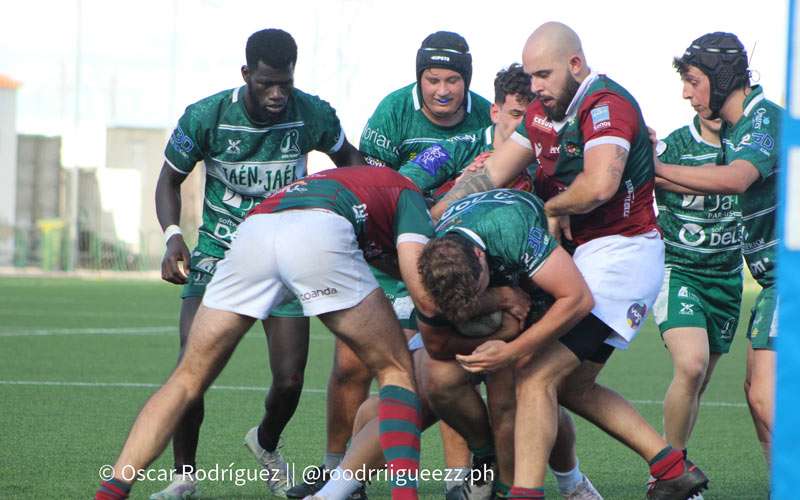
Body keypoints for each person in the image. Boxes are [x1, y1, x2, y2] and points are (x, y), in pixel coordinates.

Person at [431, 22, 708, 500]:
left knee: (535, 374)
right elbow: (494, 172)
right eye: (530, 76)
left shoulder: (608, 107)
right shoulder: (540, 112)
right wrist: (433, 222)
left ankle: (527, 492)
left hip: (624, 255)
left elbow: (601, 184)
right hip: (585, 257)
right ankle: (671, 468)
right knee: (573, 386)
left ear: (575, 65)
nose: (534, 87)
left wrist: (548, 209)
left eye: (543, 75)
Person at [95, 167, 435, 500]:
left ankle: (110, 492)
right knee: (396, 369)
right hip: (317, 232)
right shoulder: (410, 196)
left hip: (255, 231)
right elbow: (418, 281)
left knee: (186, 378)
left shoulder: (346, 185)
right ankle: (404, 494)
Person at [153, 28, 363, 499]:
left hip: (287, 256)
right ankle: (185, 477)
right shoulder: (208, 116)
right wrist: (173, 239)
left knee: (290, 379)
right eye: (266, 83)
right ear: (246, 74)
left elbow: (350, 159)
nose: (276, 94)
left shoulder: (312, 112)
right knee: (193, 368)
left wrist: (351, 208)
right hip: (219, 255)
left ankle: (265, 442)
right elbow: (168, 181)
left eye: (284, 84)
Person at [289, 30, 493, 499]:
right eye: (432, 78)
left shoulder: (489, 116)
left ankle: (460, 480)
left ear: (467, 81)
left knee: (444, 362)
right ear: (419, 78)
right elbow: (374, 186)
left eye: (452, 81)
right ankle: (336, 468)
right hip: (390, 250)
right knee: (350, 364)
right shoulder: (392, 113)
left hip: (456, 259)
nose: (442, 90)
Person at [398, 64, 599, 500]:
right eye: (513, 114)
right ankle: (448, 476)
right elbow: (401, 191)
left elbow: (592, 189)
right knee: (421, 386)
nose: (521, 126)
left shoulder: (554, 159)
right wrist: (435, 226)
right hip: (450, 280)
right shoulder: (460, 150)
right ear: (494, 112)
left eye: (530, 116)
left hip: (531, 296)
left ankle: (563, 479)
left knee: (527, 391)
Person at [655, 31, 780, 470]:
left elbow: (736, 178)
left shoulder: (762, 120)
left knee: (766, 397)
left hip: (785, 277)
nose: (686, 92)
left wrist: (651, 165)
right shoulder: (737, 129)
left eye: (693, 80)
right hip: (762, 282)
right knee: (755, 394)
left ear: (722, 76)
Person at [652, 113, 743, 468]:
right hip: (678, 269)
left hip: (727, 278)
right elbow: (644, 175)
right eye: (691, 84)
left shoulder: (750, 149)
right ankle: (668, 472)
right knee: (691, 366)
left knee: (698, 381)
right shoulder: (674, 146)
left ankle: (675, 457)